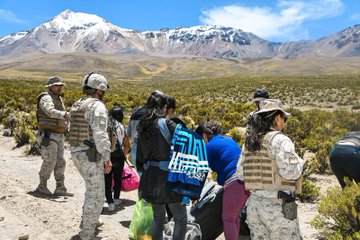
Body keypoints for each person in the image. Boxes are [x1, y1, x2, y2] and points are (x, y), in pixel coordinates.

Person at [237, 99, 305, 240]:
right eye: (284, 118)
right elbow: (290, 172)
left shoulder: (249, 142)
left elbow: (240, 175)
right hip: (277, 208)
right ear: (277, 117)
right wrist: (299, 162)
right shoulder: (281, 140)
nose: (284, 122)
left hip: (255, 206)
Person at [137, 91, 187, 240]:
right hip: (169, 178)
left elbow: (139, 157)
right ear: (164, 107)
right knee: (180, 218)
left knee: (158, 218)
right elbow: (184, 146)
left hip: (151, 177)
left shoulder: (142, 125)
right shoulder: (167, 124)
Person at [69, 72, 112, 240]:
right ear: (99, 90)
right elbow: (100, 135)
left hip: (77, 152)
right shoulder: (97, 106)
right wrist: (107, 157)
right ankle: (87, 233)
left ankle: (89, 221)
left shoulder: (77, 104)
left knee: (91, 190)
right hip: (90, 155)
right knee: (96, 194)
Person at [195, 122, 250, 240]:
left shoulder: (208, 147)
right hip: (248, 179)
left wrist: (195, 194)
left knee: (228, 218)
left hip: (234, 181)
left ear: (204, 136)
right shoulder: (227, 139)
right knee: (235, 216)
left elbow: (202, 173)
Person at [35, 76, 73, 196]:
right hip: (48, 134)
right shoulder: (46, 98)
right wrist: (65, 114)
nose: (60, 87)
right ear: (50, 86)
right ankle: (42, 185)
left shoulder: (58, 98)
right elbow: (50, 111)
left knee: (60, 161)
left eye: (60, 85)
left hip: (59, 133)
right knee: (50, 160)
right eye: (57, 85)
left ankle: (60, 187)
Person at [127, 90, 165, 175]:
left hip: (135, 151)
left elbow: (128, 134)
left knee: (143, 180)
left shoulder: (135, 112)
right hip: (150, 153)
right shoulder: (156, 113)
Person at [105, 107, 130, 211]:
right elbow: (127, 144)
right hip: (118, 156)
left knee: (107, 178)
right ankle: (116, 198)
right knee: (117, 178)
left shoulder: (106, 125)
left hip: (107, 155)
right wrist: (124, 154)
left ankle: (110, 202)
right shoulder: (121, 126)